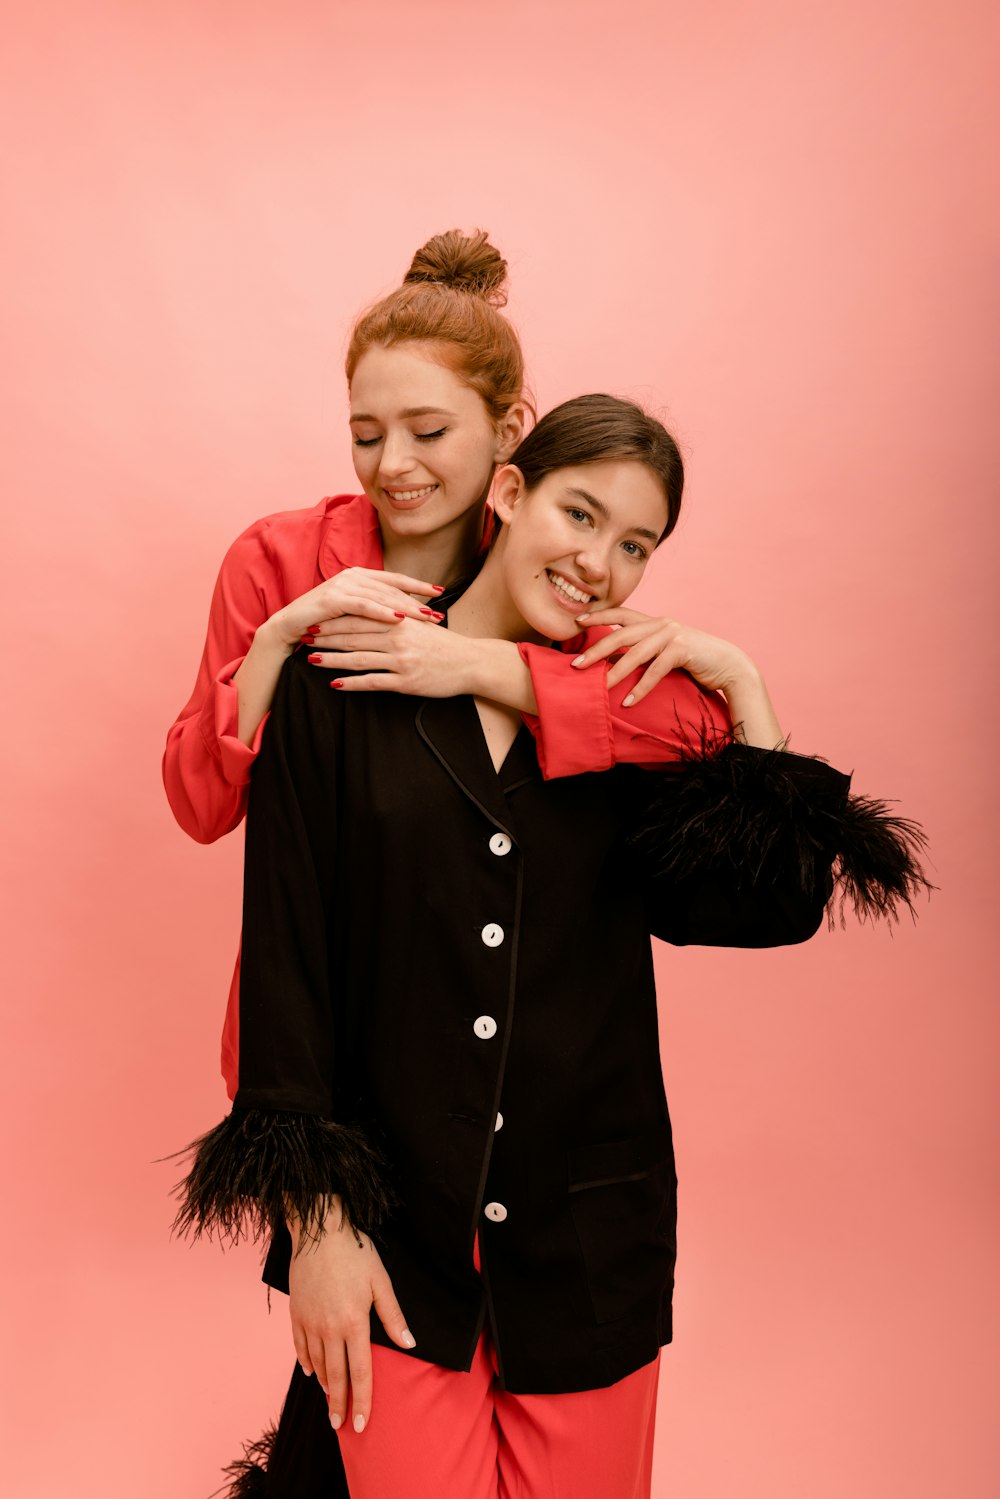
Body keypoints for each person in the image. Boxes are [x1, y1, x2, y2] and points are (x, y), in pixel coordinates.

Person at [173, 395, 928, 1499]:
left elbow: (772, 903)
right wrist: (319, 1228)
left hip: (589, 1249)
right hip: (390, 1244)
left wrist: (740, 680)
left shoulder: (632, 720)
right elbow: (290, 957)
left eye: (635, 545)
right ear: (513, 492)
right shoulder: (343, 683)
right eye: (581, 514)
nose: (599, 563)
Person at [164, 229, 725, 1100]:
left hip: (495, 1059)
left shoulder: (548, 569)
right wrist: (277, 641)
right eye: (365, 434)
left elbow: (690, 729)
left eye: (429, 431)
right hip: (313, 1042)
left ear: (508, 435)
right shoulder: (274, 558)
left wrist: (475, 664)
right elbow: (202, 804)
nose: (394, 466)